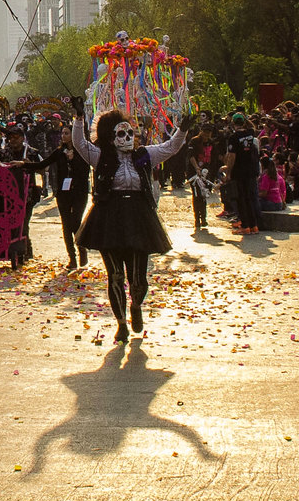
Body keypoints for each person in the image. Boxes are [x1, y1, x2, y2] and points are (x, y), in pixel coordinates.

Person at [73, 87, 189, 345]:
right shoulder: (100, 156)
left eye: (130, 133)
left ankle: (136, 305)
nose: (127, 138)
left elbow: (171, 147)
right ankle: (121, 323)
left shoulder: (144, 154)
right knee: (114, 274)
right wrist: (79, 118)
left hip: (138, 216)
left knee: (138, 276)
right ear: (110, 136)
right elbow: (79, 144)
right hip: (108, 217)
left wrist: (182, 129)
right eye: (121, 133)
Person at [39, 129, 91, 267]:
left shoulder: (83, 153)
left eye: (67, 133)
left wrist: (73, 160)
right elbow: (44, 164)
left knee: (75, 222)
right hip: (63, 193)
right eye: (63, 133)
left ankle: (82, 249)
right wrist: (24, 164)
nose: (63, 136)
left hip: (79, 192)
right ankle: (72, 258)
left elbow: (85, 172)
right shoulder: (59, 152)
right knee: (66, 226)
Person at [224, 114, 263, 236]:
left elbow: (232, 156)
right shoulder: (251, 134)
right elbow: (252, 126)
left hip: (239, 171)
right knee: (250, 198)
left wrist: (228, 172)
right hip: (251, 170)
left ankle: (245, 226)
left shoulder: (234, 137)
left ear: (233, 123)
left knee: (241, 199)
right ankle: (254, 225)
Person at [187, 158, 216, 232]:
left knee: (203, 196)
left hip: (206, 173)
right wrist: (197, 168)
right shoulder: (193, 146)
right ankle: (197, 219)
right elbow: (191, 157)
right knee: (197, 196)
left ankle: (203, 218)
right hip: (194, 174)